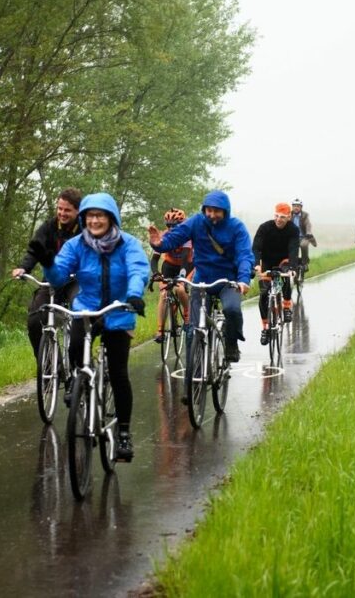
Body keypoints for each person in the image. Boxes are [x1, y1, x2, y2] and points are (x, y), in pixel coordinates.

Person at [41, 192, 149, 462]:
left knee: (119, 372)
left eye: (100, 215)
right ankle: (82, 389)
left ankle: (123, 434)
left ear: (111, 218)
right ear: (83, 218)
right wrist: (47, 263)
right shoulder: (77, 244)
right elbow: (59, 276)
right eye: (90, 216)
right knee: (75, 348)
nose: (95, 220)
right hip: (87, 309)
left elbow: (138, 270)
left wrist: (134, 295)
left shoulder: (128, 244)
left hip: (118, 311)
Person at [147, 190, 253, 363]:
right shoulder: (197, 222)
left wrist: (243, 280)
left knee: (232, 310)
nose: (212, 215)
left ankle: (232, 343)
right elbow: (176, 237)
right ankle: (195, 367)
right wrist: (159, 244)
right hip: (202, 280)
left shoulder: (236, 227)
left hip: (228, 281)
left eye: (216, 211)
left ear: (225, 211)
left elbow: (244, 255)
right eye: (208, 210)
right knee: (193, 327)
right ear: (204, 210)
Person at [10, 187, 82, 371]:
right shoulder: (49, 226)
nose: (62, 213)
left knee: (80, 312)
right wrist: (24, 267)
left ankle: (79, 365)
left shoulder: (84, 228)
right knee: (35, 319)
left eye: (67, 210)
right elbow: (35, 250)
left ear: (77, 211)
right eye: (59, 208)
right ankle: (50, 366)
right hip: (53, 281)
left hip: (77, 280)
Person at [253, 202, 301, 344]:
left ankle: (286, 305)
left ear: (288, 217)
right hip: (266, 260)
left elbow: (293, 248)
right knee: (263, 294)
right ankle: (265, 328)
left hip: (284, 260)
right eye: (277, 216)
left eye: (282, 217)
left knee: (286, 274)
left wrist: (293, 268)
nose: (279, 219)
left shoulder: (293, 229)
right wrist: (256, 265)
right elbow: (256, 248)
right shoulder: (265, 227)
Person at [149, 207, 193, 344]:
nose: (171, 228)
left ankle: (187, 314)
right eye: (169, 225)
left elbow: (186, 257)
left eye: (175, 225)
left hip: (187, 265)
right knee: (163, 294)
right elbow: (155, 259)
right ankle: (160, 330)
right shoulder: (163, 236)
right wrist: (156, 273)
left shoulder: (186, 236)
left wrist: (182, 276)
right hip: (169, 265)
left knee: (180, 289)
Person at [290, 198, 316, 271]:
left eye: (298, 206)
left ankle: (305, 263)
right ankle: (291, 263)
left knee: (303, 245)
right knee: (290, 248)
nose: (296, 207)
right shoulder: (289, 215)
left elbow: (308, 224)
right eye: (294, 206)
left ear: (301, 207)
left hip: (304, 237)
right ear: (292, 207)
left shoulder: (305, 215)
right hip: (292, 237)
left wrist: (308, 232)